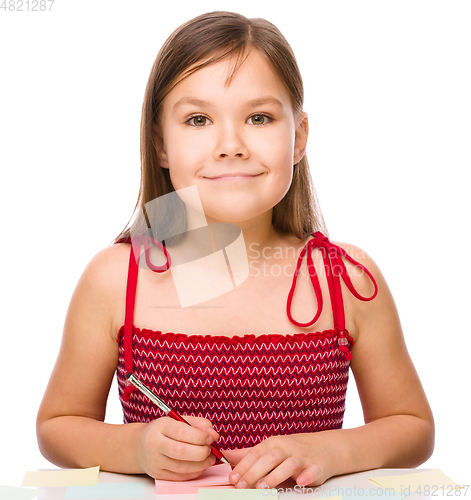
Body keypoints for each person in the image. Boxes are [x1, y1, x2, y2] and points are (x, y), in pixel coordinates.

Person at [36, 11, 434, 490]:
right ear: (161, 144)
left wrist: (328, 450)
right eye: (199, 119)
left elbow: (413, 427)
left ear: (299, 137)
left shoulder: (346, 277)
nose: (230, 145)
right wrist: (136, 446)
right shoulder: (118, 274)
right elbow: (57, 426)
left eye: (259, 117)